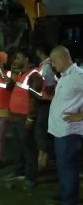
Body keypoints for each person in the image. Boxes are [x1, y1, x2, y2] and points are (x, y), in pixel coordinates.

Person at [47, 46, 83, 205]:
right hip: (59, 131)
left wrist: (81, 115)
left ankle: (69, 200)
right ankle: (65, 193)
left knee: (68, 167)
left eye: (54, 62)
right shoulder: (65, 76)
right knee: (63, 166)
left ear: (62, 59)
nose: (53, 65)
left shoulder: (78, 76)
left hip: (69, 133)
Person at [3, 48, 42, 190]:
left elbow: (34, 100)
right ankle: (19, 171)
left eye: (18, 58)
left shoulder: (34, 76)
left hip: (25, 118)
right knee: (18, 147)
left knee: (29, 149)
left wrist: (30, 118)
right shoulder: (20, 74)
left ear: (26, 59)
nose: (15, 60)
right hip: (16, 117)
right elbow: (12, 92)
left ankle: (31, 177)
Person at [34, 44, 57, 171]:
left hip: (46, 103)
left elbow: (50, 84)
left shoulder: (46, 66)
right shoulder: (48, 64)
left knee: (42, 131)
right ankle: (44, 158)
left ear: (39, 52)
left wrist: (44, 94)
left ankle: (43, 160)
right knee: (43, 131)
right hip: (47, 102)